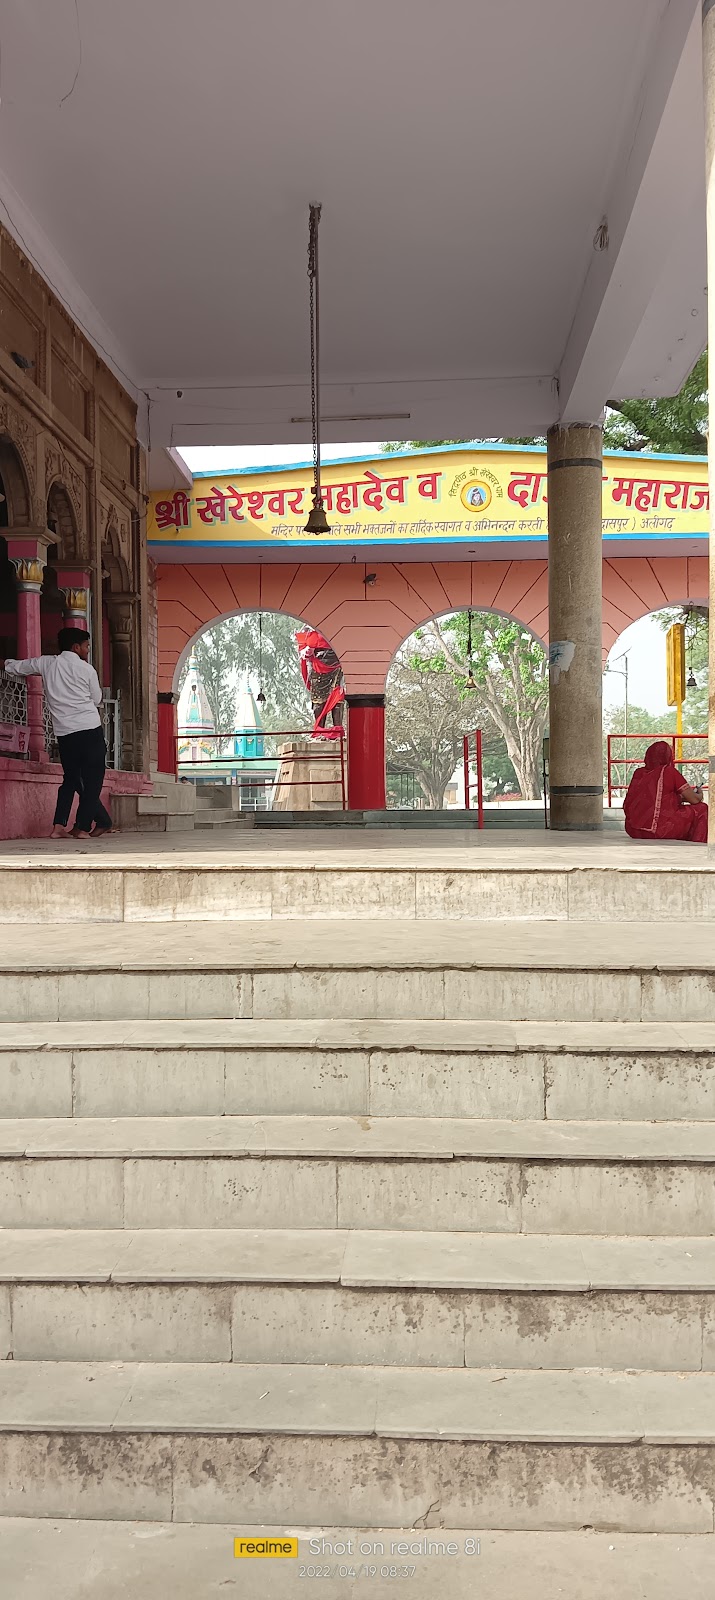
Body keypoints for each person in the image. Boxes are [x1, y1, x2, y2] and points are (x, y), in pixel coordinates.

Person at [2, 628, 113, 839]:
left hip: (65, 733)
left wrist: (4, 663)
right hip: (89, 729)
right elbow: (97, 699)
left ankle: (58, 826)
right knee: (92, 781)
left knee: (71, 779)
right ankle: (82, 827)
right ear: (76, 647)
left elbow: (19, 667)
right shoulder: (87, 669)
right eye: (86, 646)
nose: (88, 650)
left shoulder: (47, 663)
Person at [623, 740, 707, 843]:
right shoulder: (668, 771)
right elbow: (694, 800)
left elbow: (650, 799)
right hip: (659, 830)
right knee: (702, 809)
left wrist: (678, 798)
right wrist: (699, 794)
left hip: (633, 830)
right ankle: (699, 843)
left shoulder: (638, 773)